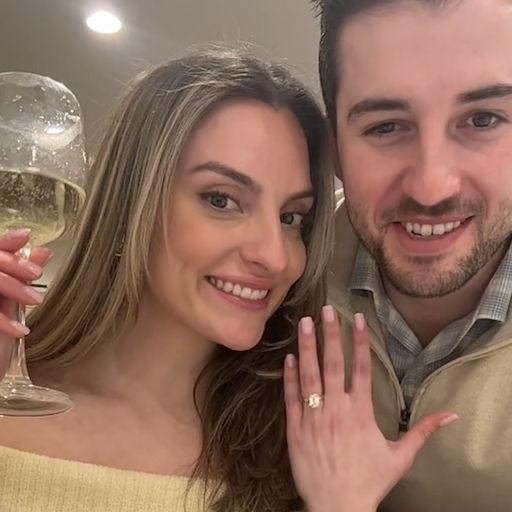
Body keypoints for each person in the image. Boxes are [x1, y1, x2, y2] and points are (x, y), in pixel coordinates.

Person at [0, 45, 453, 512]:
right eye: (222, 200)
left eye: (291, 218)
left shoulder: (302, 457)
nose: (274, 257)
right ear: (131, 202)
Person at [312, 0, 512, 510]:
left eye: (483, 119)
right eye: (385, 126)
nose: (431, 186)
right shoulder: (274, 273)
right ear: (334, 149)